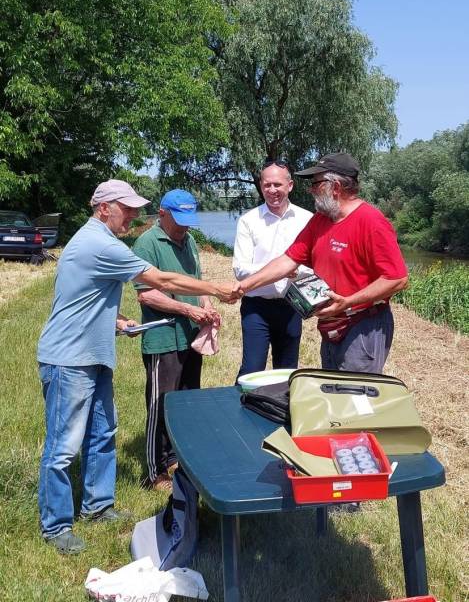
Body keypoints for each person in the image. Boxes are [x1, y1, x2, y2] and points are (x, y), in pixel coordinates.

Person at [37, 180, 240, 555]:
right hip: (69, 360)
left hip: (93, 356)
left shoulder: (95, 241)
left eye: (133, 207)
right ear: (103, 209)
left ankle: (98, 506)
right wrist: (214, 289)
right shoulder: (99, 242)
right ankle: (56, 526)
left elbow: (82, 295)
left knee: (103, 432)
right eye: (125, 207)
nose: (132, 214)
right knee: (63, 446)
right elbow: (159, 280)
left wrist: (116, 321)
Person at [238, 153, 408, 374]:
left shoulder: (371, 222)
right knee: (334, 394)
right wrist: (245, 285)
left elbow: (397, 279)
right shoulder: (321, 220)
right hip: (331, 326)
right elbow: (288, 260)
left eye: (316, 184)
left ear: (335, 187)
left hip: (362, 326)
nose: (310, 190)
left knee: (354, 399)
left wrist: (348, 302)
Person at [133, 189, 221, 491]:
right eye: (178, 220)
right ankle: (154, 471)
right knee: (161, 404)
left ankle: (176, 457)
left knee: (186, 403)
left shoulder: (190, 241)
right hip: (162, 337)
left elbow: (196, 282)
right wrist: (187, 309)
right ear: (162, 213)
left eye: (188, 220)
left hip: (190, 336)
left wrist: (206, 306)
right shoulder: (146, 244)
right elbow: (146, 293)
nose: (184, 227)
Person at [232, 159, 312, 380]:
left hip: (291, 305)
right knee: (251, 370)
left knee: (287, 373)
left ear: (290, 185)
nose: (272, 190)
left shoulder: (307, 220)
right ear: (260, 185)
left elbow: (315, 265)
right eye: (267, 185)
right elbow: (240, 270)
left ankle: (281, 413)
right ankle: (241, 410)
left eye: (277, 184)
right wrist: (281, 269)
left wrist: (298, 271)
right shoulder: (248, 221)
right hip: (256, 307)